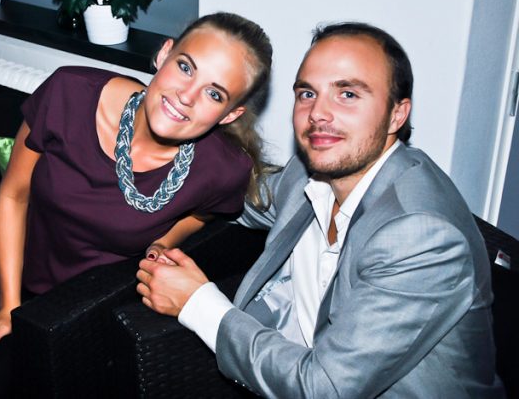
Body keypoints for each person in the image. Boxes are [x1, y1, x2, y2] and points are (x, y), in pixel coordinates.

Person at [137, 22, 505, 398]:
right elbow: (233, 196)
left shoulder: (419, 237)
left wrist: (198, 302)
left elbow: (323, 388)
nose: (318, 113)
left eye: (347, 93)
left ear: (397, 115)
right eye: (308, 93)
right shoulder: (310, 171)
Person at [0, 12, 273, 397]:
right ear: (164, 54)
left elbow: (204, 215)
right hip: (9, 277)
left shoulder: (223, 169)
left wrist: (164, 241)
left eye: (214, 94)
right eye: (186, 67)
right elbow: (14, 193)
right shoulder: (70, 92)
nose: (186, 96)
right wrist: (9, 306)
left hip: (89, 309)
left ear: (230, 114)